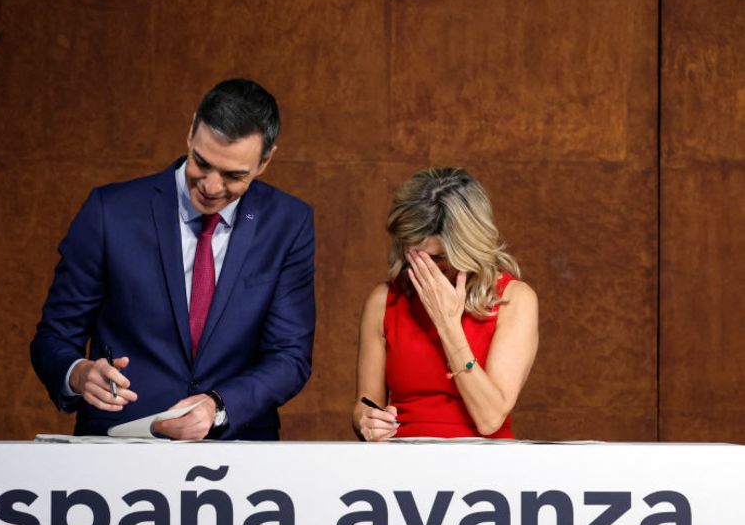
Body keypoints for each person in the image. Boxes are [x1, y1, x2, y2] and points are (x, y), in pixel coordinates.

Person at [31, 78, 315, 440]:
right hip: (119, 449)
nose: (211, 187)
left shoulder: (289, 223)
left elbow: (289, 356)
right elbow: (54, 336)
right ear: (191, 130)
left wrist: (218, 405)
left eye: (234, 175)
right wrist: (78, 373)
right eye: (203, 163)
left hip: (239, 452)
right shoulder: (109, 212)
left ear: (266, 161)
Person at [352, 167, 538, 440]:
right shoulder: (384, 301)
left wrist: (447, 323)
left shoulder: (514, 300)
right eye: (415, 254)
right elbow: (365, 406)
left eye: (438, 258)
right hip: (401, 465)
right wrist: (365, 422)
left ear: (469, 250)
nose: (427, 268)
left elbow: (490, 419)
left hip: (484, 468)